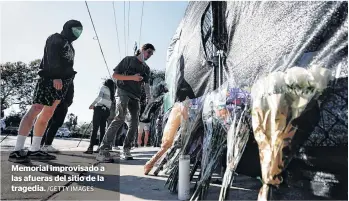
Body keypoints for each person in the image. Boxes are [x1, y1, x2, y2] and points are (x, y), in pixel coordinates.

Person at [8, 20, 83, 163]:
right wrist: (55, 76)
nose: (77, 33)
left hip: (63, 83)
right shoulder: (55, 38)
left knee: (48, 114)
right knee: (36, 109)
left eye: (80, 31)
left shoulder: (70, 46)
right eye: (75, 30)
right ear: (67, 28)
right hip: (49, 79)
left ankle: (35, 149)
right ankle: (17, 150)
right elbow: (52, 57)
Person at [96, 43, 154, 162]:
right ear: (142, 50)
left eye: (151, 54)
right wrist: (132, 78)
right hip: (123, 91)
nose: (149, 55)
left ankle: (126, 149)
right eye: (148, 52)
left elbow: (147, 85)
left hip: (136, 96)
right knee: (120, 118)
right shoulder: (128, 60)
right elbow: (115, 75)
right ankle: (103, 150)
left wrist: (149, 97)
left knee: (134, 123)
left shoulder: (146, 69)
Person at [40, 82, 74, 152]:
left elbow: (71, 92)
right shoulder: (55, 74)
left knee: (56, 124)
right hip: (51, 101)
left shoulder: (70, 79)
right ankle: (39, 144)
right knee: (46, 122)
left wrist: (67, 103)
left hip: (63, 103)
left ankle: (47, 145)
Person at [84, 79, 116, 154]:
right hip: (107, 111)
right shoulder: (112, 92)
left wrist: (92, 104)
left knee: (95, 128)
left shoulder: (104, 87)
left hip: (99, 108)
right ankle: (100, 148)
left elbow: (99, 97)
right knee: (102, 129)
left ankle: (90, 148)